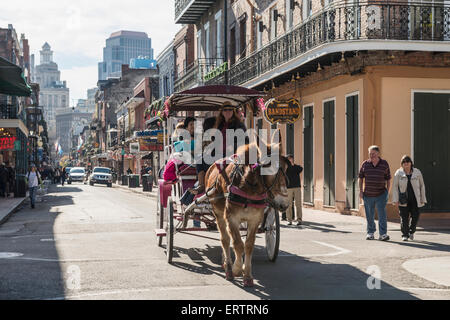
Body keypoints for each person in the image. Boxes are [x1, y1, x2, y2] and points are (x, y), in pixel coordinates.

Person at [359, 145, 391, 241]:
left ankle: (383, 234)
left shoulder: (384, 164)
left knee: (382, 215)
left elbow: (388, 179)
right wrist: (360, 191)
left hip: (381, 194)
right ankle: (370, 233)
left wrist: (387, 192)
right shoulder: (365, 164)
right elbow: (360, 178)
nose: (371, 155)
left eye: (373, 153)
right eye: (370, 154)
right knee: (369, 215)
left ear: (378, 153)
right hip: (368, 194)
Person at [391, 155, 427, 241]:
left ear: (411, 163)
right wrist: (395, 200)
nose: (406, 163)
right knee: (404, 217)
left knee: (415, 216)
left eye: (408, 161)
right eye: (404, 162)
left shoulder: (417, 172)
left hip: (415, 199)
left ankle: (412, 230)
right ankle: (405, 234)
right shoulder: (398, 173)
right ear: (402, 164)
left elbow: (422, 186)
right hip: (403, 199)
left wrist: (423, 198)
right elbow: (395, 187)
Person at [285, 155, 303, 226]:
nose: (290, 160)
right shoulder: (285, 168)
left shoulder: (296, 167)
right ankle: (289, 220)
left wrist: (292, 165)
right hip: (288, 188)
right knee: (288, 205)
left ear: (292, 159)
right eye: (288, 159)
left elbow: (301, 169)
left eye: (291, 158)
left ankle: (299, 219)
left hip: (297, 187)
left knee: (298, 204)